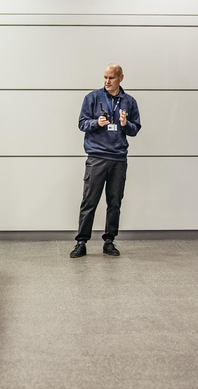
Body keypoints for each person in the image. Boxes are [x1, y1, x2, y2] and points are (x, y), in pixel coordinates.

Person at [70, 64, 142, 258]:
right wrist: (96, 123)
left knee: (114, 202)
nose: (107, 81)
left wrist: (126, 124)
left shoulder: (129, 102)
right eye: (105, 77)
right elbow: (81, 124)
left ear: (121, 78)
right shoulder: (92, 98)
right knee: (89, 201)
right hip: (97, 157)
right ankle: (81, 242)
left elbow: (135, 129)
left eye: (111, 78)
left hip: (118, 159)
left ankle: (109, 241)